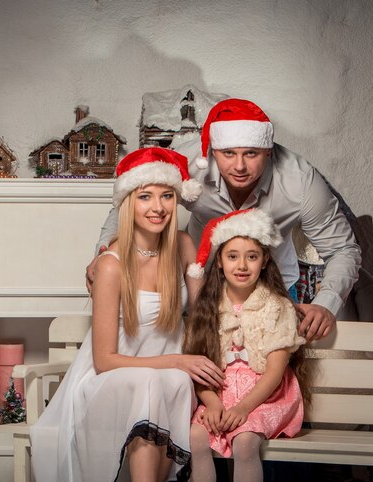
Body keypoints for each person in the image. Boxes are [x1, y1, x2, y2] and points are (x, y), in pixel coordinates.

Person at [88, 98, 361, 341]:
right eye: (228, 154)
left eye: (251, 153)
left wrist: (326, 302)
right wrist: (104, 253)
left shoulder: (300, 181)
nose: (239, 166)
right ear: (213, 151)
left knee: (270, 369)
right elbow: (129, 203)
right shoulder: (188, 160)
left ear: (268, 150)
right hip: (198, 280)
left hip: (270, 282)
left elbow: (342, 249)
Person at [30, 147, 225, 482]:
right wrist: (178, 361)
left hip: (164, 378)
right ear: (127, 203)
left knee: (176, 382)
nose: (158, 207)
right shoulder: (110, 264)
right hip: (110, 380)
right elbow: (104, 360)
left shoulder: (182, 247)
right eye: (145, 196)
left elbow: (205, 316)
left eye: (166, 196)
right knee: (156, 380)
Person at [182, 208, 310, 482]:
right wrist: (213, 403)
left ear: (264, 260)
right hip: (219, 394)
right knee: (195, 436)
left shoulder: (277, 307)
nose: (242, 266)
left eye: (251, 257)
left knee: (245, 440)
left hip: (264, 396)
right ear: (219, 262)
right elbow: (199, 367)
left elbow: (275, 373)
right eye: (232, 256)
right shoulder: (208, 309)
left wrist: (242, 409)